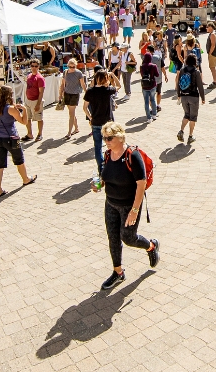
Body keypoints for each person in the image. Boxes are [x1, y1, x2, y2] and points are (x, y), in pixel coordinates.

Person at [93, 122, 159, 290]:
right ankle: (118, 272)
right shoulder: (108, 155)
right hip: (111, 203)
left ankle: (151, 246)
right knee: (113, 238)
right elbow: (106, 176)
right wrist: (99, 184)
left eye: (109, 138)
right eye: (104, 138)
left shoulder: (132, 155)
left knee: (128, 238)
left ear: (120, 137)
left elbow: (141, 184)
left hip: (129, 205)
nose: (106, 141)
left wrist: (134, 211)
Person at [0, 87, 34, 196]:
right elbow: (24, 121)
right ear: (9, 95)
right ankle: (25, 179)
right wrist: (24, 110)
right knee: (19, 159)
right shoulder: (10, 109)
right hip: (11, 137)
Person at [83, 71, 118, 176]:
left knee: (98, 147)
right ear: (106, 78)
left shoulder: (90, 91)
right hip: (107, 123)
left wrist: (90, 118)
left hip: (96, 123)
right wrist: (113, 76)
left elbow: (84, 107)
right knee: (112, 145)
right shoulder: (108, 90)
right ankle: (112, 166)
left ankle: (101, 168)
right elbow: (119, 86)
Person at [175, 53, 206, 145]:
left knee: (186, 115)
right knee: (193, 117)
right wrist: (203, 98)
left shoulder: (182, 70)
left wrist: (178, 94)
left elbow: (177, 83)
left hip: (184, 96)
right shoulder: (196, 72)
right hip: (193, 97)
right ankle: (190, 136)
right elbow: (200, 86)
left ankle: (181, 131)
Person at [61, 59, 86, 137]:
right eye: (70, 66)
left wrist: (87, 93)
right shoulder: (65, 72)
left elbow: (82, 84)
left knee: (71, 114)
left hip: (75, 94)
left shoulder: (79, 73)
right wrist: (60, 94)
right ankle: (76, 128)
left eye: (73, 66)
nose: (71, 68)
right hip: (67, 94)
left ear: (76, 65)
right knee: (71, 113)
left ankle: (69, 132)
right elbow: (62, 84)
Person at [23, 60, 45, 141]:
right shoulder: (29, 76)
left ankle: (40, 134)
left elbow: (41, 92)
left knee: (39, 118)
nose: (34, 68)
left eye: (36, 66)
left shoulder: (40, 78)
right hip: (28, 100)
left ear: (38, 66)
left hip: (36, 101)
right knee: (27, 118)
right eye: (32, 66)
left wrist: (38, 104)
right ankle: (29, 134)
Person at [140, 45, 161, 120]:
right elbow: (157, 74)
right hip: (152, 85)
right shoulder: (153, 66)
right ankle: (154, 115)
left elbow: (142, 75)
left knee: (146, 101)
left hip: (144, 86)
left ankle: (148, 117)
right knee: (152, 100)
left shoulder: (142, 66)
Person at [204, 23, 216, 89]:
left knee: (212, 67)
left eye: (207, 27)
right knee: (212, 67)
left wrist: (210, 53)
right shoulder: (212, 33)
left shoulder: (213, 34)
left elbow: (213, 45)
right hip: (213, 53)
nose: (206, 28)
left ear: (211, 27)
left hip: (213, 54)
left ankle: (215, 82)